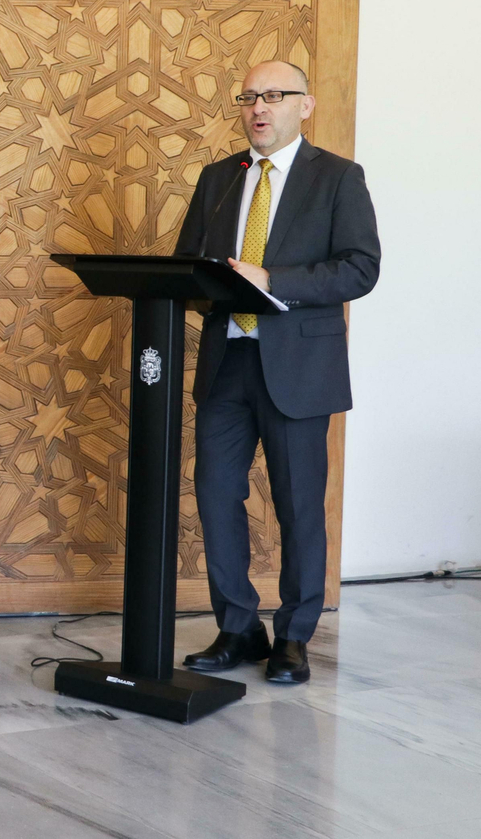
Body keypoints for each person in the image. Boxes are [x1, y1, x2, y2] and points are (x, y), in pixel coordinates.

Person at [174, 61, 380, 684]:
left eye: (274, 96)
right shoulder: (218, 178)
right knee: (214, 495)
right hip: (227, 361)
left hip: (297, 367)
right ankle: (239, 627)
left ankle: (293, 636)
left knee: (297, 507)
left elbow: (360, 268)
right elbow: (188, 264)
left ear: (305, 106)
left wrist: (274, 282)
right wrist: (209, 283)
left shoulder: (338, 178)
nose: (259, 107)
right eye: (248, 97)